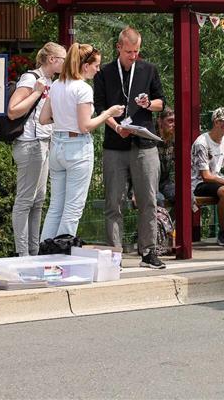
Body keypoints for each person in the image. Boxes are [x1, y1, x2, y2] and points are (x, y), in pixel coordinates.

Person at [93, 27, 167, 269]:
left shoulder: (148, 69)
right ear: (119, 48)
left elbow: (161, 103)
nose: (133, 56)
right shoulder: (104, 73)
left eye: (136, 51)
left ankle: (149, 251)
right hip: (115, 145)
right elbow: (100, 108)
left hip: (144, 143)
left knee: (148, 200)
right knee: (114, 202)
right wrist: (115, 127)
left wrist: (148, 104)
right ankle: (115, 254)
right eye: (128, 52)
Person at [39, 44, 124, 241]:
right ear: (85, 66)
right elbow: (85, 126)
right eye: (96, 65)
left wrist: (63, 118)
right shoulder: (83, 89)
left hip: (57, 145)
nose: (98, 69)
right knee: (72, 208)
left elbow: (43, 119)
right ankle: (60, 257)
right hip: (77, 148)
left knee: (55, 206)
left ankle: (43, 255)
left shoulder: (57, 85)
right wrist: (108, 113)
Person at [7, 42, 66, 256]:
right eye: (63, 60)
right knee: (24, 200)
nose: (65, 64)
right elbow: (13, 111)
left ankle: (33, 251)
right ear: (52, 60)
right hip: (28, 144)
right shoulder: (31, 78)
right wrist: (37, 93)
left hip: (43, 143)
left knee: (38, 200)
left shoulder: (51, 80)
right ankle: (22, 253)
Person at [191, 107, 224, 248]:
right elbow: (206, 176)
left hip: (217, 179)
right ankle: (223, 231)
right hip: (198, 182)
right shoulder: (202, 143)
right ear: (216, 123)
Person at [155, 107, 176, 205]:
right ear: (160, 122)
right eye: (170, 121)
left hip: (165, 182)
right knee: (159, 201)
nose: (174, 124)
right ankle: (163, 220)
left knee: (187, 197)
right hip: (148, 183)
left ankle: (170, 221)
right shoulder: (150, 138)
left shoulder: (174, 140)